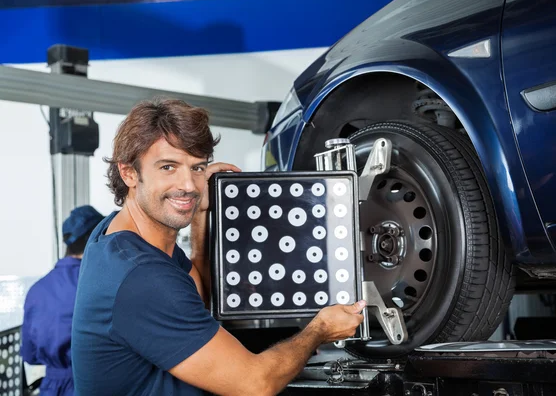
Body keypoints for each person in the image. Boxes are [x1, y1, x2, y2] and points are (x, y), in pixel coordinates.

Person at [71, 98, 365, 396]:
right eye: (168, 167)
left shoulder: (117, 233)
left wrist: (201, 214)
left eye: (197, 168)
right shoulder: (140, 276)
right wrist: (319, 331)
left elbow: (194, 296)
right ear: (129, 173)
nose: (188, 184)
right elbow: (256, 384)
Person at [21, 205, 105, 396]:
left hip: (51, 388)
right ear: (94, 238)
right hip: (92, 386)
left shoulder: (37, 290)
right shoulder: (101, 284)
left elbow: (30, 355)